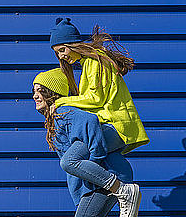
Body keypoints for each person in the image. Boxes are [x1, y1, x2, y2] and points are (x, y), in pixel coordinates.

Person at [32, 68, 142, 217]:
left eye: (40, 90)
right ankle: (121, 189)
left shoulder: (64, 111)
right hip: (103, 180)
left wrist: (96, 158)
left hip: (108, 178)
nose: (35, 96)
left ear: (52, 93)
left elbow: (91, 121)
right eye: (33, 91)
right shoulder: (57, 117)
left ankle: (122, 190)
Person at [48, 18, 150, 155]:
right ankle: (118, 177)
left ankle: (111, 178)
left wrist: (61, 101)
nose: (61, 56)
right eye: (57, 53)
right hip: (110, 124)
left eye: (62, 50)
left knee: (71, 160)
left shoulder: (95, 61)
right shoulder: (87, 62)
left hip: (116, 125)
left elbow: (96, 98)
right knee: (114, 168)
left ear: (74, 44)